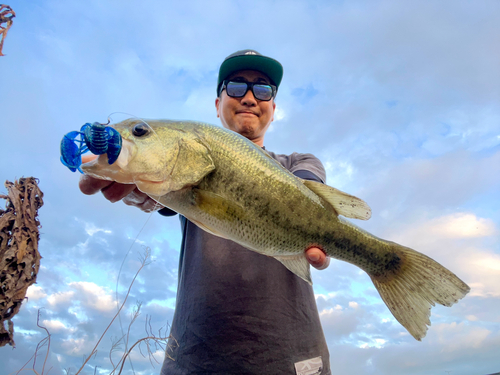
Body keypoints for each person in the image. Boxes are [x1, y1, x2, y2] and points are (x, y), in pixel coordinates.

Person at [79, 49, 331, 374]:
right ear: (217, 104)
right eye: (237, 87)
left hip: (295, 360)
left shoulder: (300, 163)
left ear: (273, 108)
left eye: (263, 90)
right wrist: (140, 187)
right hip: (193, 362)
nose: (250, 97)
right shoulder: (183, 175)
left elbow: (308, 195)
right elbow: (158, 197)